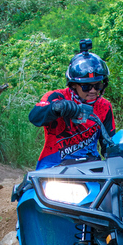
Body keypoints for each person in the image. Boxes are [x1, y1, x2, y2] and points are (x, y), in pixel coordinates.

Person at [29, 39, 115, 169]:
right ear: (73, 85)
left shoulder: (104, 106)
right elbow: (34, 117)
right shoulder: (56, 97)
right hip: (54, 166)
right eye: (86, 86)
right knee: (27, 188)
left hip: (91, 166)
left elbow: (108, 144)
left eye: (98, 85)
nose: (93, 91)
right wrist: (56, 108)